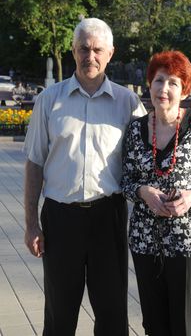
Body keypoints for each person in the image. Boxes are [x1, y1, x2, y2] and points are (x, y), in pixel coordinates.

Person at [23, 18, 146, 336]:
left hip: (109, 217)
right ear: (73, 50)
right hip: (60, 218)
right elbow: (34, 164)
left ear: (110, 53)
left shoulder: (128, 103)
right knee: (59, 313)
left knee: (112, 312)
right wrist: (31, 224)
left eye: (97, 49)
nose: (90, 56)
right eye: (83, 48)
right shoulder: (50, 100)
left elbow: (148, 159)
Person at [121, 50, 191, 336]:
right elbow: (126, 181)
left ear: (184, 89)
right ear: (150, 84)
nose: (165, 89)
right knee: (154, 324)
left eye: (173, 82)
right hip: (146, 243)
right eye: (159, 81)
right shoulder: (135, 129)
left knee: (185, 325)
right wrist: (143, 191)